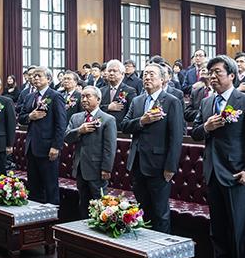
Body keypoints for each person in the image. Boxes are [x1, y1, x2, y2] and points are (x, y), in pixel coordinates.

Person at [191, 55, 245, 258]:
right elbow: (195, 132)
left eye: (218, 72)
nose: (212, 76)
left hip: (236, 174)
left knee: (238, 230)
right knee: (218, 228)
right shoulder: (207, 102)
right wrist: (206, 128)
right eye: (210, 72)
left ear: (232, 75)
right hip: (212, 172)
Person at [120, 62, 184, 233]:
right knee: (142, 210)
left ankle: (162, 251)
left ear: (163, 80)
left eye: (151, 74)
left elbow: (176, 137)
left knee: (160, 212)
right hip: (137, 162)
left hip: (159, 165)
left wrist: (170, 167)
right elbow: (125, 125)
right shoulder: (137, 100)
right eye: (145, 74)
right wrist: (142, 121)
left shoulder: (172, 101)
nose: (146, 77)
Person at [64, 86, 117, 218]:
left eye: (88, 96)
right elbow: (66, 137)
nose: (84, 99)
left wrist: (106, 168)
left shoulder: (107, 119)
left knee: (99, 203)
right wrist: (79, 130)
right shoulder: (76, 118)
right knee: (83, 202)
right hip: (80, 167)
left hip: (97, 168)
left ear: (98, 100)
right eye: (82, 97)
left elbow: (109, 147)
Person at [18, 67, 67, 205]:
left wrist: (56, 146)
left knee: (50, 185)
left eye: (39, 75)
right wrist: (30, 116)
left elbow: (61, 124)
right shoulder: (29, 97)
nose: (35, 78)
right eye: (33, 76)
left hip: (48, 147)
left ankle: (52, 218)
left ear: (49, 79)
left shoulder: (55, 96)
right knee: (33, 185)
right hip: (32, 146)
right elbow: (21, 118)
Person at [99, 59, 137, 130]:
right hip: (102, 128)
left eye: (114, 71)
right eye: (109, 71)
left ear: (122, 74)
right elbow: (96, 109)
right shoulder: (101, 91)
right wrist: (108, 107)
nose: (111, 73)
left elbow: (132, 112)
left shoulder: (129, 91)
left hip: (120, 129)